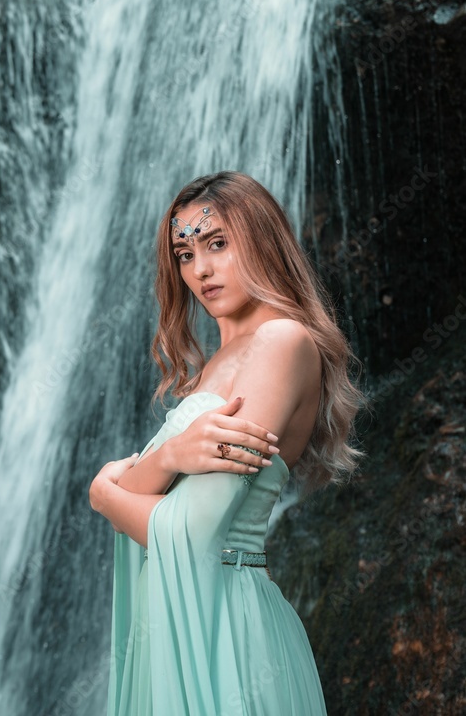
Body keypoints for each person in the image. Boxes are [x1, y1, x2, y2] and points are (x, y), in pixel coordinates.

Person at [89, 170, 368, 715]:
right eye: (184, 253)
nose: (201, 269)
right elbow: (164, 505)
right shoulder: (210, 368)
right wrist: (169, 456)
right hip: (178, 619)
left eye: (217, 243)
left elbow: (195, 533)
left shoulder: (281, 342)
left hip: (229, 635)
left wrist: (105, 496)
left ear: (262, 240)